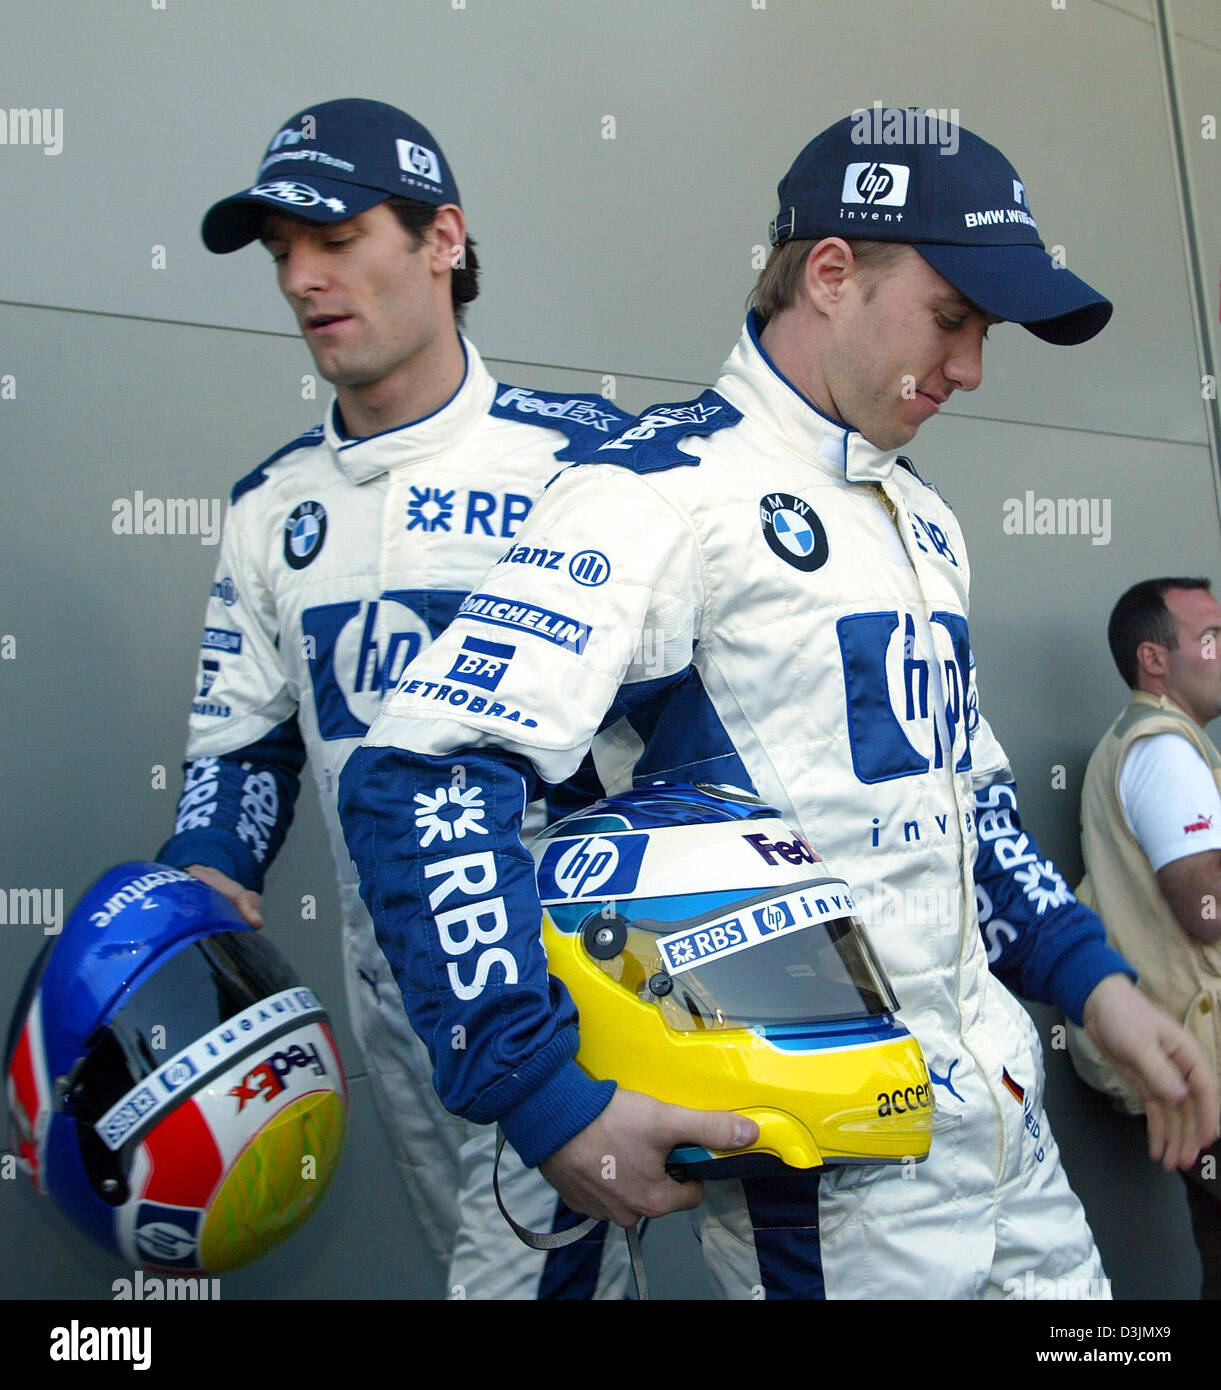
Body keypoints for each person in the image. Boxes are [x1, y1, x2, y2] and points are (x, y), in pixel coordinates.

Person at [338, 109, 1218, 1299]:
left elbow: (970, 805)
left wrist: (1097, 986)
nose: (969, 368)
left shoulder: (923, 518)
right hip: (840, 1177)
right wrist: (546, 1097)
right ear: (832, 273)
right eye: (952, 320)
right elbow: (424, 772)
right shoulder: (655, 491)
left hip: (1011, 1136)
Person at [156, 97, 633, 1300]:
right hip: (392, 991)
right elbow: (245, 736)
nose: (303, 280)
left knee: (515, 1280)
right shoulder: (271, 504)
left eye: (336, 238)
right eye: (282, 255)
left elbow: (695, 715)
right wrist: (213, 860)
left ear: (443, 241)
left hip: (572, 970)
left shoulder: (587, 459)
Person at [1070, 578, 1221, 1298]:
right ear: (1154, 660)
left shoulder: (1156, 744)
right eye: (1211, 638)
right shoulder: (1165, 753)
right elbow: (1205, 907)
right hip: (1204, 1054)